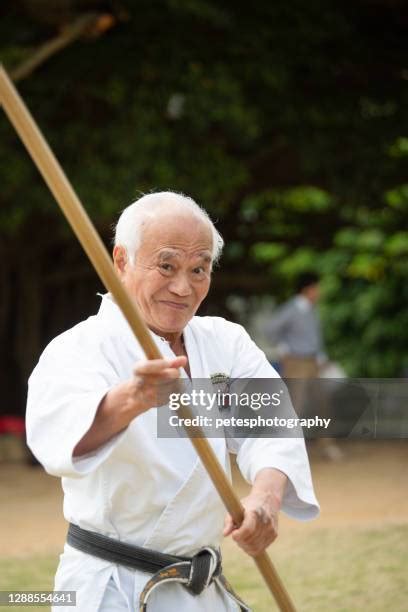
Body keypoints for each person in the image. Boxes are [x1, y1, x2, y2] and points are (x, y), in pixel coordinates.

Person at [26, 192, 319, 612]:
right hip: (111, 590)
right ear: (121, 260)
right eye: (166, 266)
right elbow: (58, 439)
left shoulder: (226, 342)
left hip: (201, 588)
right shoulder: (77, 349)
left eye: (199, 269)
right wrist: (129, 400)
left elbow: (272, 427)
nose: (183, 287)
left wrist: (266, 499)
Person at [265, 273, 342, 460]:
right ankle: (290, 450)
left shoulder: (311, 309)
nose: (319, 292)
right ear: (308, 289)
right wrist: (284, 349)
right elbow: (270, 330)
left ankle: (326, 445)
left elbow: (314, 338)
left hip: (313, 362)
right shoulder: (291, 309)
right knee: (296, 406)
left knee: (322, 403)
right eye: (317, 288)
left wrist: (321, 356)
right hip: (296, 363)